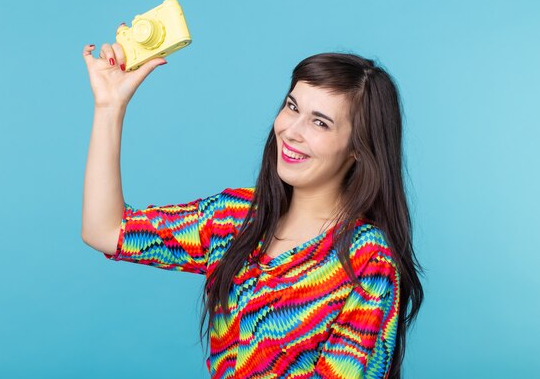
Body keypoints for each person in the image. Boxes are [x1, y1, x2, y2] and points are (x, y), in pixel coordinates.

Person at [81, 42, 424, 379]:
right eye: (292, 107)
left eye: (320, 123)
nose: (291, 131)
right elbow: (107, 231)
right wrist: (109, 106)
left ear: (358, 149)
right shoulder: (235, 217)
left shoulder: (366, 258)